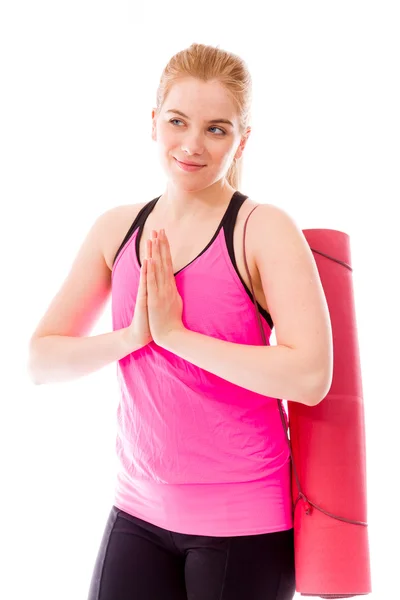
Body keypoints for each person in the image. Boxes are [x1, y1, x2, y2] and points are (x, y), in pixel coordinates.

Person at [28, 43, 333, 600]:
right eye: (177, 121)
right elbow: (41, 359)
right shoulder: (116, 230)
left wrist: (177, 337)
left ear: (242, 138)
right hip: (136, 510)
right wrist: (131, 337)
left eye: (217, 129)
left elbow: (310, 376)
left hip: (243, 524)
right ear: (153, 123)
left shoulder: (261, 229)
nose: (192, 145)